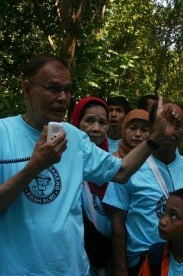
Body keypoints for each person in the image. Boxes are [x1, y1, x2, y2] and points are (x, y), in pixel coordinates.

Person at [0, 54, 178, 275]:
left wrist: (155, 138)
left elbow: (121, 172)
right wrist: (35, 166)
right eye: (53, 88)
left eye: (68, 90)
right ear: (27, 89)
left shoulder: (74, 136)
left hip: (73, 269)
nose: (63, 97)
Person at [103, 100, 183, 276]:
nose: (169, 131)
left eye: (177, 125)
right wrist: (121, 268)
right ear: (152, 128)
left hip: (179, 264)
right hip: (141, 262)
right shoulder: (129, 167)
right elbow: (117, 221)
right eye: (164, 123)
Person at [70, 96, 112, 274]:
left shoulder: (113, 165)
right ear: (76, 123)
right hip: (75, 256)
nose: (96, 128)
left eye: (102, 122)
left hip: (109, 257)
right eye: (89, 120)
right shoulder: (64, 163)